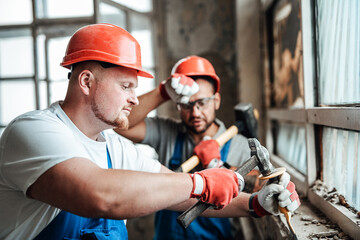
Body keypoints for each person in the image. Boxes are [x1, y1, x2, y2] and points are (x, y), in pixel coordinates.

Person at [0, 24, 300, 240]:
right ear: (87, 81)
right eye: (125, 86)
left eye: (135, 88)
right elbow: (102, 195)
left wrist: (255, 204)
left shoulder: (113, 148)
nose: (133, 98)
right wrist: (199, 181)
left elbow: (179, 194)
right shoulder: (32, 132)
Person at [116, 56, 299, 239]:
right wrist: (162, 92)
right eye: (186, 104)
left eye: (202, 103)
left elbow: (260, 189)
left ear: (216, 101)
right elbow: (119, 124)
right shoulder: (167, 132)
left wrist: (218, 165)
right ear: (177, 105)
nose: (195, 112)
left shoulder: (240, 145)